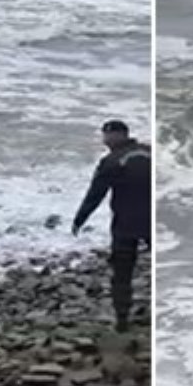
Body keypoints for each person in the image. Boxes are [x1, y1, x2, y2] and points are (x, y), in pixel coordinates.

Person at [71, 120, 152, 332]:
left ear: (117, 136)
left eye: (107, 136)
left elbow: (95, 195)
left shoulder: (111, 161)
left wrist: (80, 219)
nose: (105, 140)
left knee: (122, 272)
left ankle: (122, 320)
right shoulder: (151, 153)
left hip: (125, 223)